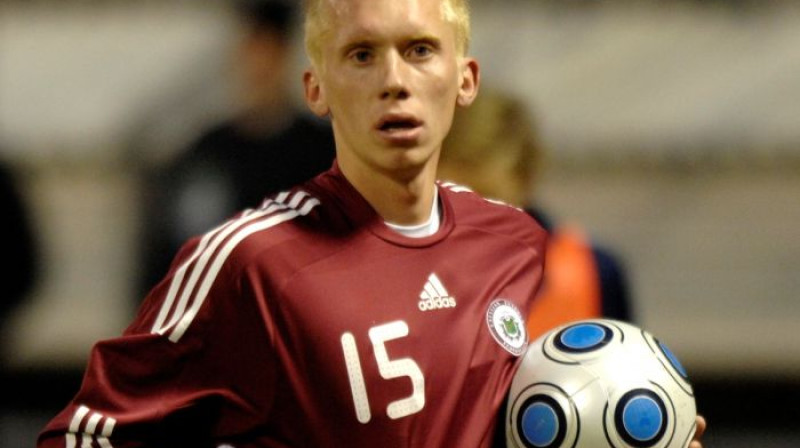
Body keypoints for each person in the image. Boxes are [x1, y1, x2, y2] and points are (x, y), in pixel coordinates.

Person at [38, 1, 705, 446]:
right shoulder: (250, 264)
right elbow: (84, 437)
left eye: (420, 50)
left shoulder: (514, 244)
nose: (395, 80)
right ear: (316, 87)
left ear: (464, 79)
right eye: (362, 55)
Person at [137, 0, 336, 297]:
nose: (258, 62)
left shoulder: (322, 152)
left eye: (268, 48)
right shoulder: (205, 154)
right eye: (250, 47)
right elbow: (166, 257)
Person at [437, 87, 633, 340]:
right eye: (452, 194)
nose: (470, 213)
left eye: (487, 196)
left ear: (525, 180)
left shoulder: (595, 274)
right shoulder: (403, 276)